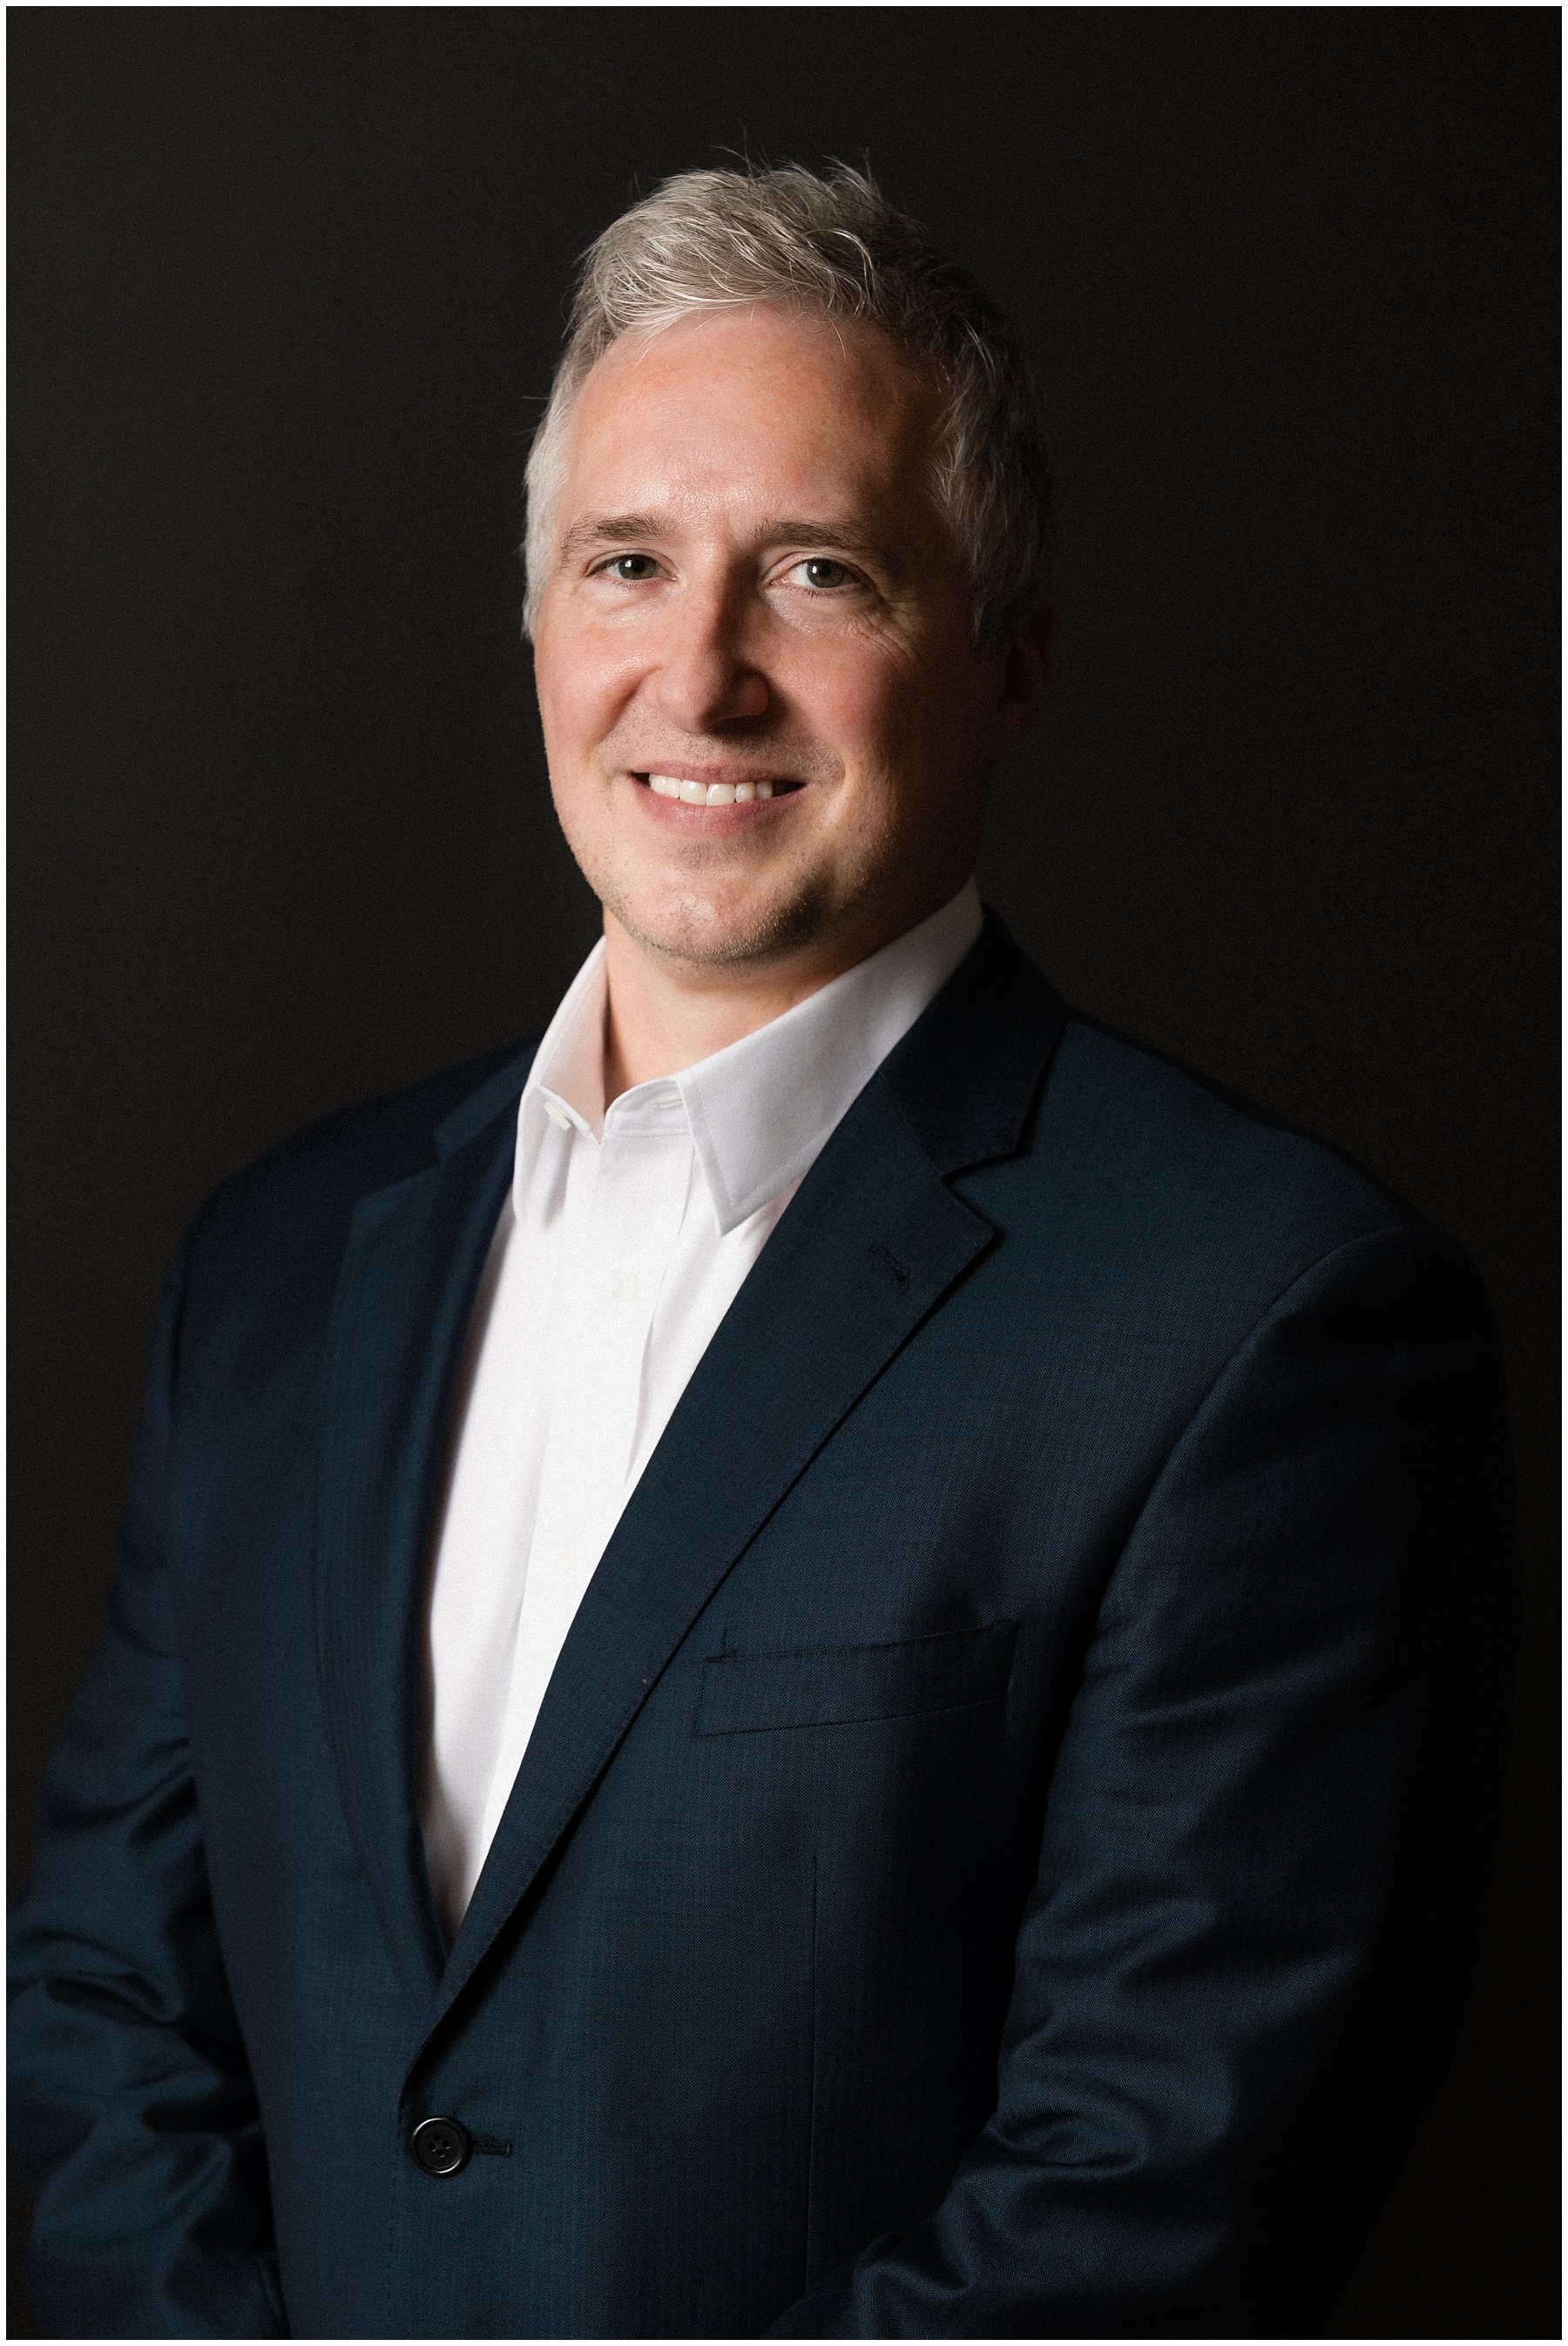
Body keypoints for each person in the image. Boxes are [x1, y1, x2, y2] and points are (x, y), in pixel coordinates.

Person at [10, 163, 1517, 2342]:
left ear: (1014, 665)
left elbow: (1156, 2199)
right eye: (627, 563)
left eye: (819, 572)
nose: (697, 677)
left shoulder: (1266, 1318)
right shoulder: (273, 1268)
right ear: (536, 621)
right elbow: (97, 2019)